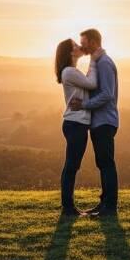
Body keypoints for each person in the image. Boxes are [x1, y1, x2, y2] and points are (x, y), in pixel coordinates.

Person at [68, 28, 119, 217]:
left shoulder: (104, 63)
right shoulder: (97, 62)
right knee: (103, 163)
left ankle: (110, 207)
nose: (82, 46)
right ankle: (104, 204)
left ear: (94, 42)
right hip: (99, 121)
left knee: (106, 163)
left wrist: (84, 105)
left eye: (84, 42)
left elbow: (106, 94)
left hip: (104, 120)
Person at [54, 38, 99, 216]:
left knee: (71, 165)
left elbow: (87, 86)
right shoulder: (70, 72)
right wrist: (94, 62)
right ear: (70, 52)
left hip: (75, 123)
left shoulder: (71, 71)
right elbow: (92, 84)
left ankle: (68, 206)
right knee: (72, 166)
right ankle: (68, 208)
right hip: (76, 124)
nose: (79, 47)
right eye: (75, 46)